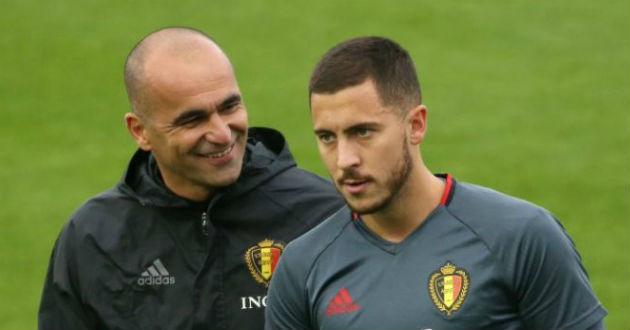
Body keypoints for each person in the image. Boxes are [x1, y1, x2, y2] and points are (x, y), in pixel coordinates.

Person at [265, 36, 607, 330]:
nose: (344, 159)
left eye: (363, 132)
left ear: (416, 125)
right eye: (327, 137)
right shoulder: (301, 267)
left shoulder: (523, 237)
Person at [38, 27, 344, 330]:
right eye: (193, 119)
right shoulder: (93, 238)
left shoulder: (325, 216)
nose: (222, 134)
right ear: (139, 131)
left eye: (230, 107)